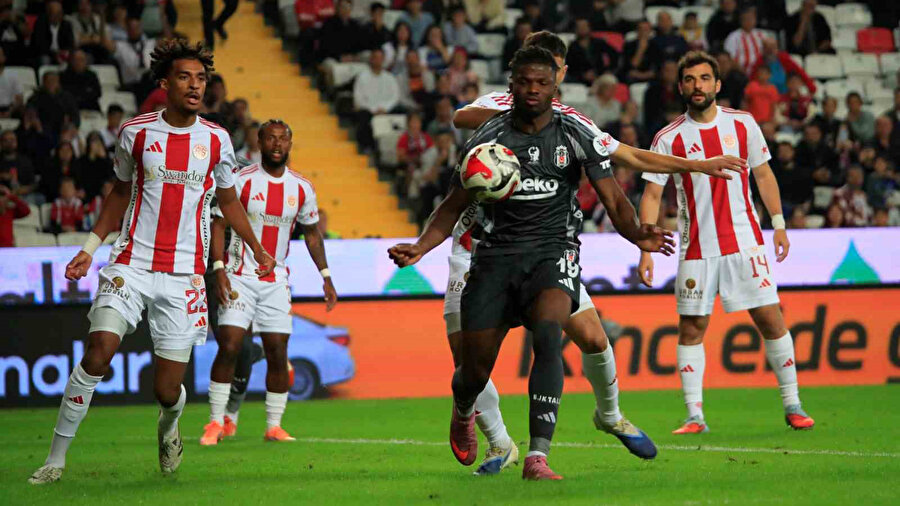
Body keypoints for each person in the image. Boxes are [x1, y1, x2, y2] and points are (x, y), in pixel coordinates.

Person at [448, 31, 745, 476]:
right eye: (530, 76)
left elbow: (630, 157)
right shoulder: (501, 106)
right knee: (468, 361)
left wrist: (696, 166)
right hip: (475, 249)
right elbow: (461, 116)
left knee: (591, 337)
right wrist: (514, 116)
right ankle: (498, 442)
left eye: (550, 73)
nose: (539, 83)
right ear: (517, 75)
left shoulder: (571, 122)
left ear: (561, 74)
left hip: (544, 251)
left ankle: (609, 415)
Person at [388, 45, 679, 480]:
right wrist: (420, 247)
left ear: (555, 86)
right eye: (524, 82)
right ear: (511, 86)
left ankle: (537, 456)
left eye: (542, 82)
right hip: (493, 258)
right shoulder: (487, 139)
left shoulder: (575, 133)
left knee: (549, 334)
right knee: (473, 370)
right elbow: (452, 206)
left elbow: (615, 199)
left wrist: (638, 234)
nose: (532, 90)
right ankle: (464, 408)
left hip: (552, 253)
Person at [28, 38, 276, 485]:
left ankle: (169, 427)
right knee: (98, 354)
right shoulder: (136, 133)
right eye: (185, 77)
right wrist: (89, 248)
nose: (195, 85)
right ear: (164, 82)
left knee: (166, 391)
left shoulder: (217, 140)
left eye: (201, 78)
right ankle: (55, 460)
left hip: (185, 276)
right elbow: (119, 193)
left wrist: (256, 248)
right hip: (131, 264)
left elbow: (228, 200)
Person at [637, 50, 815, 435]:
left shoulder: (743, 123)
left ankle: (793, 404)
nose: (697, 86)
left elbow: (763, 175)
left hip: (745, 243)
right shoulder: (667, 138)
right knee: (691, 328)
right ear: (680, 87)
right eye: (689, 79)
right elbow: (652, 194)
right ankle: (694, 416)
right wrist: (644, 245)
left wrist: (779, 224)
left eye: (704, 78)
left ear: (717, 84)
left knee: (771, 319)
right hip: (696, 249)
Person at [201, 119, 337, 445]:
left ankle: (273, 426)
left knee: (278, 351)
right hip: (239, 275)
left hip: (276, 280)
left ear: (290, 144)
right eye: (271, 139)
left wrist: (326, 276)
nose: (277, 144)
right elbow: (218, 224)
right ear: (260, 143)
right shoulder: (241, 180)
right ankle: (216, 421)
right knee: (230, 345)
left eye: (283, 139)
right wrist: (219, 269)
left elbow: (312, 234)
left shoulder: (302, 188)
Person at [353, 48, 400, 151]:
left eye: (380, 58)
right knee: (363, 116)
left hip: (386, 110)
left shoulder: (390, 78)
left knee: (401, 112)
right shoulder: (362, 77)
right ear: (371, 59)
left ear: (383, 60)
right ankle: (367, 147)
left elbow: (395, 97)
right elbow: (358, 99)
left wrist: (384, 109)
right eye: (375, 58)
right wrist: (374, 110)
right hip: (369, 110)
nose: (378, 60)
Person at [566, 17, 619, 86]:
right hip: (581, 80)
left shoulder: (599, 43)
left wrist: (609, 70)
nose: (582, 28)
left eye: (584, 26)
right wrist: (583, 75)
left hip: (601, 75)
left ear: (589, 27)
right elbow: (570, 67)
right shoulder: (572, 47)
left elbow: (614, 54)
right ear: (575, 29)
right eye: (579, 26)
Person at [724, 6, 766, 76]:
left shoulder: (762, 34)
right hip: (741, 74)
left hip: (760, 74)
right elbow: (730, 59)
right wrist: (744, 73)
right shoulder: (733, 37)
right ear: (740, 21)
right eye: (745, 19)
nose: (748, 21)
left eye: (751, 18)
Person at [30, 0, 75, 64]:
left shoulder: (66, 25)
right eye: (54, 13)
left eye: (59, 13)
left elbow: (70, 43)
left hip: (62, 54)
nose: (57, 16)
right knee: (45, 59)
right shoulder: (41, 24)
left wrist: (64, 52)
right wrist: (55, 54)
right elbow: (40, 46)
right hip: (47, 54)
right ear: (48, 13)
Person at [0, 47, 23, 118]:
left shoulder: (12, 75)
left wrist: (10, 111)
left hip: (9, 109)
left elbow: (19, 98)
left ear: (4, 58)